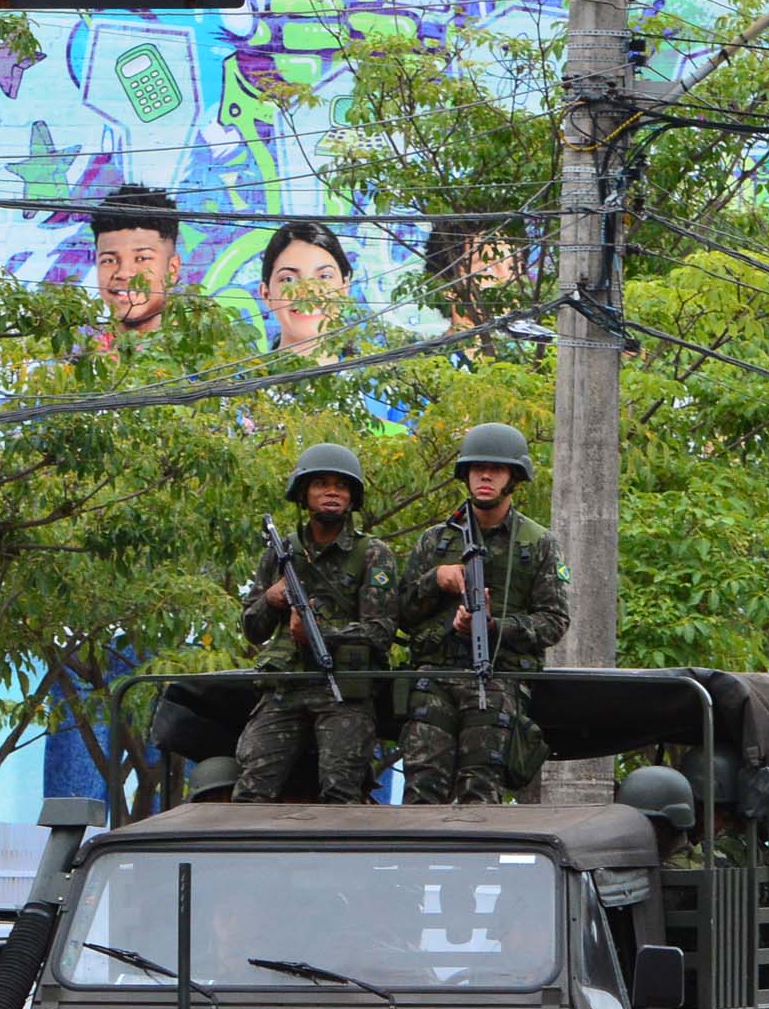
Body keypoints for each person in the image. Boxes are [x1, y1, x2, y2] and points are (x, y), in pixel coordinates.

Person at [394, 422, 568, 804]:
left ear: (514, 479)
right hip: (436, 677)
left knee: (481, 795)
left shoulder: (536, 543)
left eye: (496, 469)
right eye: (477, 469)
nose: (485, 476)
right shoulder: (436, 540)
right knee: (421, 793)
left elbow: (554, 621)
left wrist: (494, 626)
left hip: (497, 679)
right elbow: (398, 614)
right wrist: (434, 580)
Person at [235, 441, 398, 803]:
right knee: (251, 789)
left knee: (341, 792)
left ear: (352, 497)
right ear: (304, 494)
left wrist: (321, 635)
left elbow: (379, 632)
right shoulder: (281, 552)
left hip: (344, 690)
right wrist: (271, 600)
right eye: (321, 484)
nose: (331, 493)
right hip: (286, 685)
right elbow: (251, 628)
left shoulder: (372, 554)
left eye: (340, 486)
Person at [90, 183, 182, 351]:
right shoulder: (79, 362)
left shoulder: (205, 360)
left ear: (172, 269)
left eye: (142, 258)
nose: (124, 273)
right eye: (109, 260)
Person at [257, 220, 355, 357]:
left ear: (345, 288)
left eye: (324, 276)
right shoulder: (242, 377)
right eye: (289, 279)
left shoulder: (385, 375)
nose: (308, 293)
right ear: (266, 294)